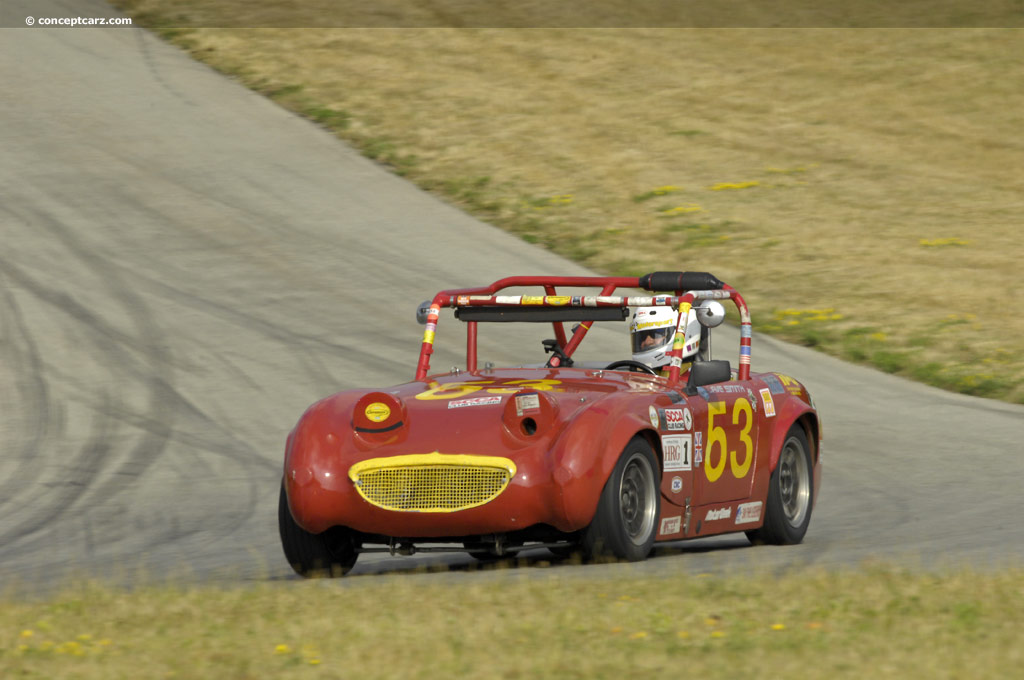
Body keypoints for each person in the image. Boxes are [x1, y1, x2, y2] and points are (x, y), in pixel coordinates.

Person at [629, 306, 701, 371]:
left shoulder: (697, 380)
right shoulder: (632, 375)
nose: (647, 341)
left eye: (655, 334)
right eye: (642, 336)